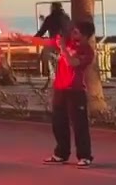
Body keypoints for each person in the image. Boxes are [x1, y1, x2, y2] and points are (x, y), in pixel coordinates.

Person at [29, 21, 97, 166]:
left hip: (76, 91)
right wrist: (20, 37)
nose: (73, 34)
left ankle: (84, 156)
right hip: (60, 89)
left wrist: (63, 48)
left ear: (85, 36)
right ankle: (61, 154)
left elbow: (73, 62)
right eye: (73, 31)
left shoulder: (87, 51)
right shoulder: (67, 42)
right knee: (58, 123)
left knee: (79, 125)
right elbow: (44, 41)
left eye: (77, 32)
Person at [35, 2, 72, 86]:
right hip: (66, 43)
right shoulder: (66, 17)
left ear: (53, 8)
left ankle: (52, 77)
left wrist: (34, 38)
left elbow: (42, 31)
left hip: (55, 42)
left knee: (47, 56)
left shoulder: (50, 18)